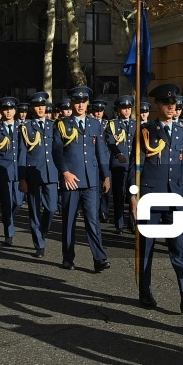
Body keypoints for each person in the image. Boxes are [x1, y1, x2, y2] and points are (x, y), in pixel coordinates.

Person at [134, 83, 183, 311]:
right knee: (147, 247)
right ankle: (145, 291)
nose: (171, 107)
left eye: (174, 103)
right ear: (157, 105)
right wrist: (134, 197)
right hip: (151, 198)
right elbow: (136, 169)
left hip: (175, 197)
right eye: (166, 103)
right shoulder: (145, 130)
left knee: (178, 247)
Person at [52, 86, 112, 271]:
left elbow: (100, 151)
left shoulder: (95, 124)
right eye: (77, 102)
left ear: (87, 103)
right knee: (69, 220)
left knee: (92, 220)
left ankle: (99, 258)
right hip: (71, 179)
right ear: (72, 103)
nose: (80, 105)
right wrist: (65, 172)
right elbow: (57, 152)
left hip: (91, 179)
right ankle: (68, 257)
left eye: (83, 102)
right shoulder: (62, 124)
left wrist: (106, 175)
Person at [19, 92, 59, 257]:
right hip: (32, 173)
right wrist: (22, 178)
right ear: (32, 108)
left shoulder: (53, 125)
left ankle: (41, 231)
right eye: (37, 106)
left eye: (43, 106)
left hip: (51, 174)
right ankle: (39, 244)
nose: (41, 109)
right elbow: (21, 154)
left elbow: (59, 151)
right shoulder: (25, 127)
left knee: (51, 208)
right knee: (34, 210)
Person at [104, 95, 138, 234]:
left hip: (133, 164)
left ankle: (133, 221)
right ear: (118, 109)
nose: (127, 111)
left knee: (133, 193)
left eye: (129, 108)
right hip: (118, 164)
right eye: (124, 108)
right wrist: (119, 154)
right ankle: (119, 223)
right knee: (118, 194)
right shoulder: (112, 125)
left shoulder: (136, 124)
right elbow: (111, 143)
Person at [0, 96, 21, 244]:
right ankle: (8, 232)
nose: (8, 112)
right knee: (6, 202)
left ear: (15, 110)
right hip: (3, 171)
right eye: (5, 109)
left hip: (19, 171)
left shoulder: (22, 128)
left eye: (11, 109)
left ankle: (9, 218)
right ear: (1, 111)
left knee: (18, 201)